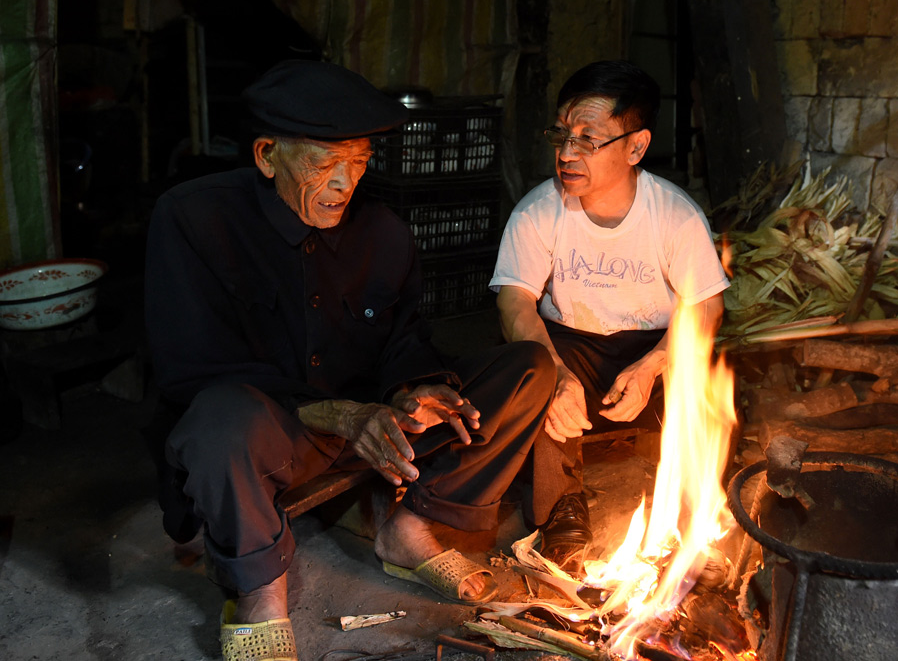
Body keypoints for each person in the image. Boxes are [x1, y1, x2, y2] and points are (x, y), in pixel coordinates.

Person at [144, 59, 555, 661]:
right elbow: (192, 368)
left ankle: (407, 525)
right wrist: (342, 415)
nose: (345, 184)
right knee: (217, 421)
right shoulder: (193, 220)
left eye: (358, 162)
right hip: (274, 435)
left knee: (526, 370)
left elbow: (404, 339)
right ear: (267, 155)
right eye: (324, 163)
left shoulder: (382, 230)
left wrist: (414, 391)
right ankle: (260, 588)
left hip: (373, 429)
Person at [489, 60, 729, 573]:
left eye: (586, 140)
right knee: (531, 373)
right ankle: (561, 514)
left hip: (650, 350)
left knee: (707, 373)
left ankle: (694, 519)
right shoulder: (537, 212)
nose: (566, 154)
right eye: (562, 136)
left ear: (636, 147)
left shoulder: (674, 214)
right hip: (569, 343)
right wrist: (556, 374)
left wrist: (653, 366)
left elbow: (705, 306)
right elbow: (514, 304)